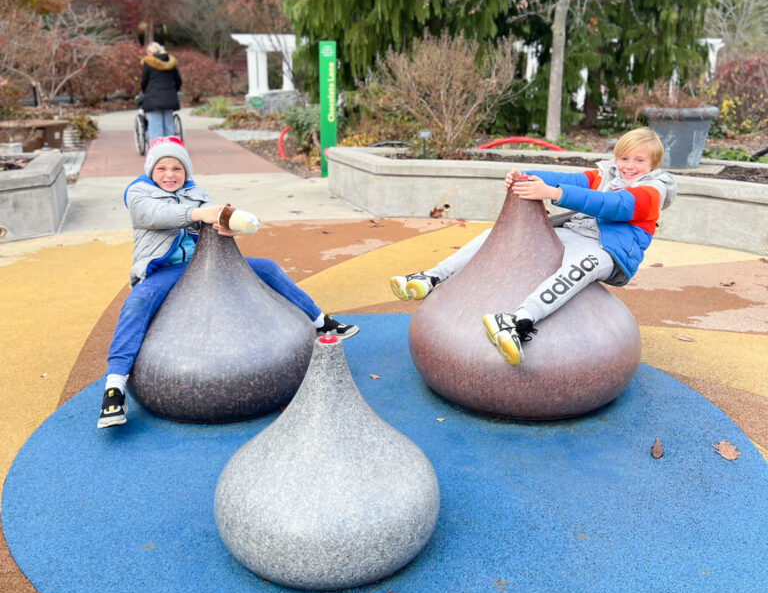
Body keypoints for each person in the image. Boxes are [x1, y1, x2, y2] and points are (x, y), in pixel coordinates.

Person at [98, 136, 358, 429]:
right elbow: (156, 215)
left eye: (177, 169)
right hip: (164, 271)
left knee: (268, 268)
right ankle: (115, 387)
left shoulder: (195, 192)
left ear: (186, 172)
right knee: (137, 302)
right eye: (162, 168)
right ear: (151, 172)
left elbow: (217, 218)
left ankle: (320, 320)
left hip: (204, 265)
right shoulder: (139, 194)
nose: (170, 174)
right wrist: (198, 214)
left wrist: (229, 226)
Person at [389, 127, 676, 367]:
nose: (629, 166)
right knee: (496, 235)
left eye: (639, 160)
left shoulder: (653, 191)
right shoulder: (604, 176)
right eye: (624, 157)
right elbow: (569, 179)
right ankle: (430, 277)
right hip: (571, 233)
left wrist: (554, 194)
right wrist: (523, 175)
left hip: (605, 249)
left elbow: (615, 206)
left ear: (653, 164)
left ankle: (518, 321)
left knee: (581, 267)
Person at [140, 41, 182, 145]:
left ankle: (157, 151)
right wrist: (173, 91)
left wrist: (145, 92)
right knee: (169, 127)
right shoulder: (171, 63)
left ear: (150, 52)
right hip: (169, 98)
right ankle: (170, 149)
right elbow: (178, 81)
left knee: (155, 128)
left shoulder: (148, 63)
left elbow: (144, 81)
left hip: (153, 98)